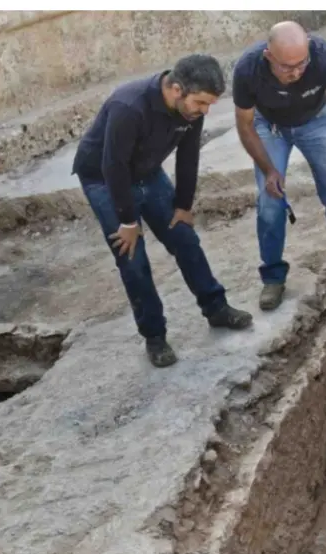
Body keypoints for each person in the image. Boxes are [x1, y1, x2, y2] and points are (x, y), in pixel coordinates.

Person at [72, 54, 253, 368]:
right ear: (176, 90)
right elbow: (113, 166)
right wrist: (128, 220)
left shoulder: (191, 111)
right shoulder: (128, 106)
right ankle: (154, 337)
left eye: (210, 104)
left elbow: (188, 155)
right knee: (133, 259)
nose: (205, 111)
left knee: (185, 239)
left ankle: (216, 308)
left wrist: (183, 204)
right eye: (200, 103)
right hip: (104, 179)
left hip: (148, 173)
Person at [232, 21, 326, 311]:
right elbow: (245, 126)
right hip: (269, 126)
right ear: (269, 56)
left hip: (317, 120)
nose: (296, 72)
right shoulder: (248, 68)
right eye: (287, 67)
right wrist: (268, 169)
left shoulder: (325, 57)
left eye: (302, 63)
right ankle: (273, 277)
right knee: (269, 202)